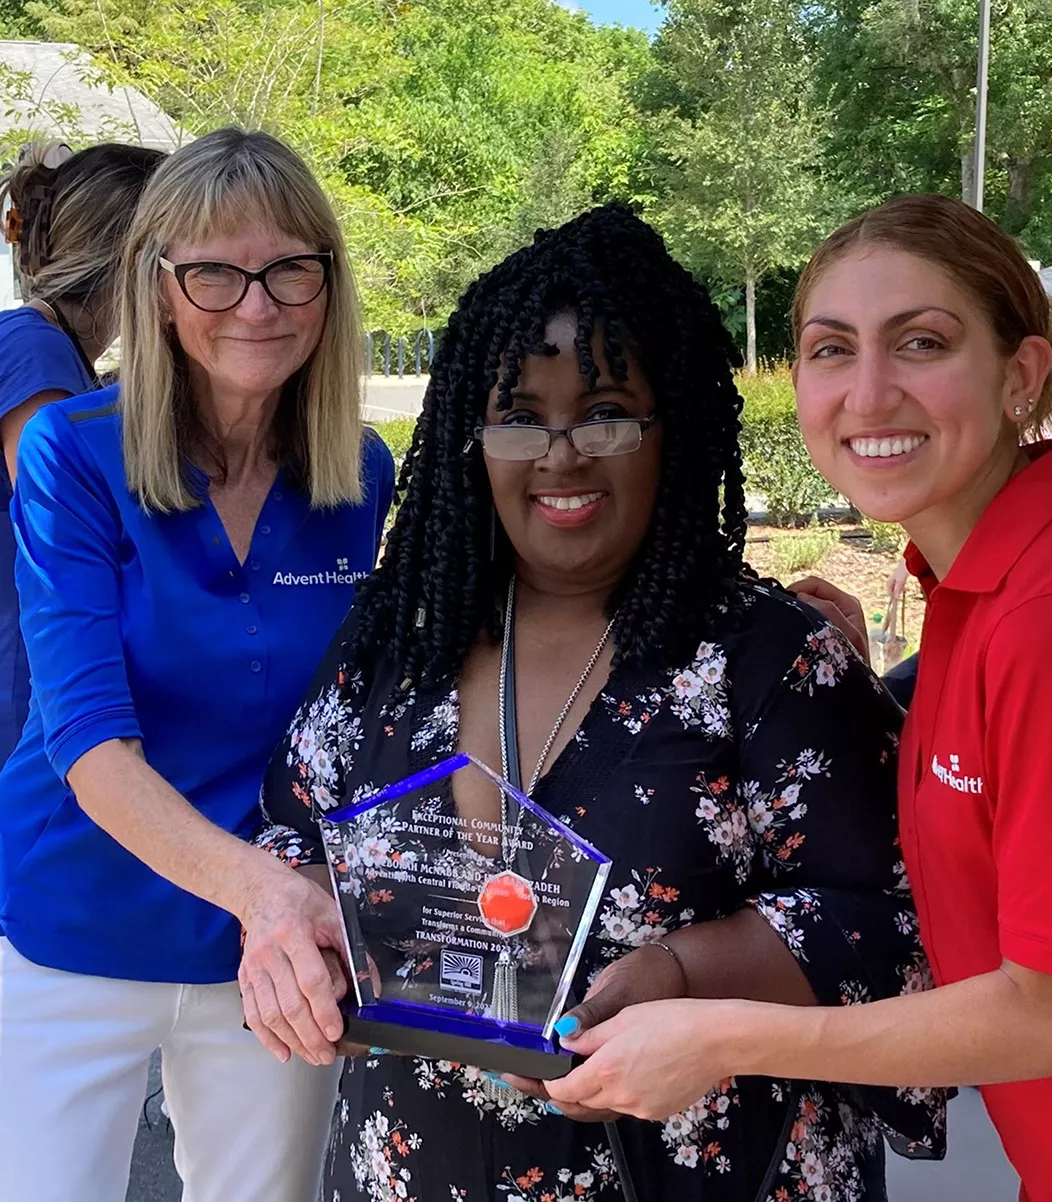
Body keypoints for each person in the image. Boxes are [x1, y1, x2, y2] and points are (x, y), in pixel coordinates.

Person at [246, 203, 944, 1202]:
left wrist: (682, 970)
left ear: (674, 426)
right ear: (470, 435)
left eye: (607, 410)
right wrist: (287, 930)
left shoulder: (773, 663)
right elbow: (292, 823)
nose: (561, 451)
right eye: (520, 415)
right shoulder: (399, 638)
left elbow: (892, 921)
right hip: (417, 1161)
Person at [539, 194, 1052, 1202]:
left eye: (921, 341)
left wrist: (721, 1035)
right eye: (832, 348)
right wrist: (882, 707)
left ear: (1021, 374)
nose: (870, 391)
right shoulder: (989, 588)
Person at [0, 127, 395, 1202]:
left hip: (263, 945)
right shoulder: (70, 452)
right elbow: (85, 738)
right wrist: (272, 895)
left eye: (288, 269)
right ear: (158, 286)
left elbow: (368, 711)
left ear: (328, 285)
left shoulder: (359, 473)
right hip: (74, 921)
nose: (256, 303)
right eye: (215, 270)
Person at [0, 138, 164, 761]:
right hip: (24, 683)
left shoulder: (52, 350)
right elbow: (61, 529)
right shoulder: (34, 353)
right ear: (134, 258)